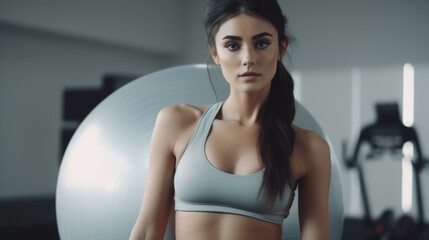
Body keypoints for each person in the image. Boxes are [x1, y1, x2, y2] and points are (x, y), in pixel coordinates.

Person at [130, 0, 331, 239]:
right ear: (215, 53)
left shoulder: (309, 148)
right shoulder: (177, 122)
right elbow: (147, 230)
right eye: (233, 46)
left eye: (262, 43)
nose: (248, 58)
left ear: (281, 48)